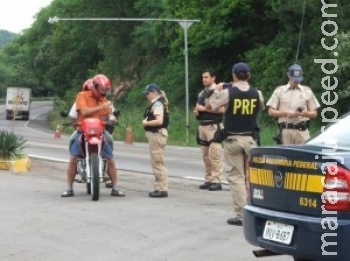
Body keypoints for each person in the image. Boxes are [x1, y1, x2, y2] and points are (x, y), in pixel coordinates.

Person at [206, 62, 265, 226]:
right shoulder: (257, 93)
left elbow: (210, 105)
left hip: (233, 140)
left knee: (236, 178)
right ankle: (257, 210)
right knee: (252, 178)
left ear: (233, 75)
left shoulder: (228, 92)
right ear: (249, 76)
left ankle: (241, 215)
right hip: (251, 140)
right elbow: (261, 106)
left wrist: (216, 89)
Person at [61, 74, 125, 197]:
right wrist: (101, 107)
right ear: (95, 87)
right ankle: (69, 188)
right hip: (82, 131)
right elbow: (84, 112)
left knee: (110, 158)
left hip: (100, 132)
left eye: (105, 90)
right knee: (73, 158)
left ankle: (115, 188)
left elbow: (108, 116)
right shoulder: (82, 96)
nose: (103, 92)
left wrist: (111, 119)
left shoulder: (105, 101)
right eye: (102, 89)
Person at [266, 64, 320, 144]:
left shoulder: (307, 91)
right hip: (286, 130)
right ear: (288, 75)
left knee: (303, 155)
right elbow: (271, 112)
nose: (296, 81)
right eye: (294, 79)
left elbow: (315, 113)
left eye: (298, 79)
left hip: (302, 131)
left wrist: (305, 113)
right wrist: (286, 113)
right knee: (285, 155)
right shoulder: (279, 90)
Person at [193, 69, 224, 191]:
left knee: (214, 154)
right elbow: (198, 108)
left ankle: (217, 180)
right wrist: (197, 111)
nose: (204, 79)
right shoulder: (202, 93)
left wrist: (203, 109)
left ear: (213, 78)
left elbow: (222, 110)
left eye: (206, 77)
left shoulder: (219, 92)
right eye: (203, 77)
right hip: (203, 125)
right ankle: (208, 179)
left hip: (213, 125)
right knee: (205, 155)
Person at [142, 84, 169, 198]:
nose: (147, 95)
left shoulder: (157, 104)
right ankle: (159, 187)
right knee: (157, 161)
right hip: (156, 134)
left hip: (156, 134)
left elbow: (158, 121)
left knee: (157, 161)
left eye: (147, 93)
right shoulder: (158, 103)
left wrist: (146, 123)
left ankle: (161, 188)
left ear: (154, 92)